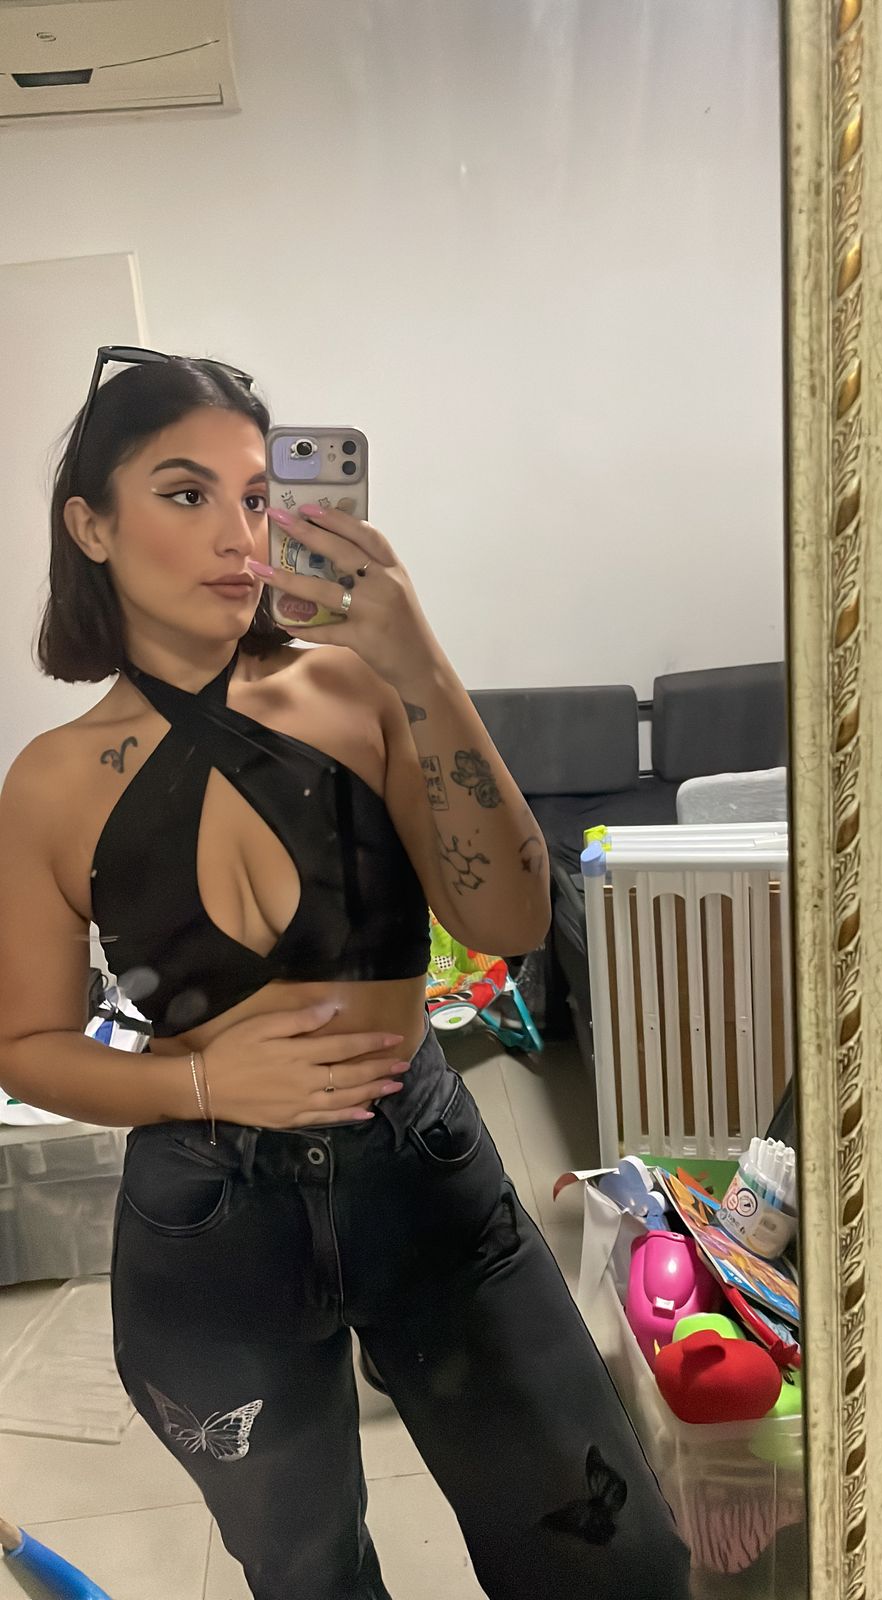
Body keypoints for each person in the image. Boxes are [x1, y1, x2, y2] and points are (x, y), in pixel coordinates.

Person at [0, 351, 690, 1600]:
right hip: (209, 1216)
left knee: (608, 1554)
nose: (239, 532)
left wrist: (419, 660)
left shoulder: (358, 690)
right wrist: (200, 1080)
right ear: (90, 526)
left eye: (260, 496)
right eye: (187, 493)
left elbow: (508, 917)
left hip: (421, 1169)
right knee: (307, 1575)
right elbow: (25, 1045)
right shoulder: (50, 781)